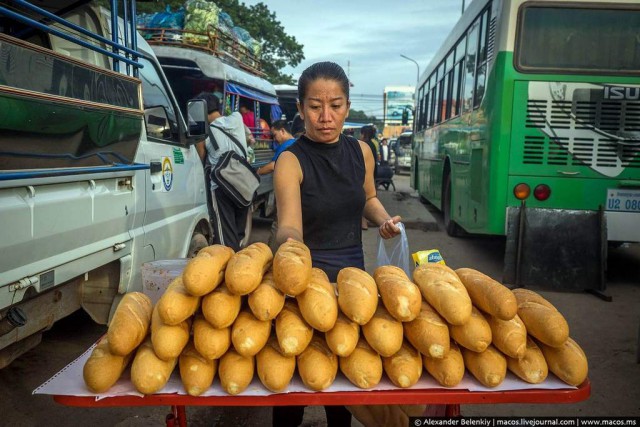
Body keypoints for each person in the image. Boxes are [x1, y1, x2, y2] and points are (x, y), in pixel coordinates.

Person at [272, 61, 401, 427]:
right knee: (292, 386)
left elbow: (369, 198)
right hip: (303, 281)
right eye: (314, 106)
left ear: (347, 105)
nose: (325, 117)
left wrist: (383, 221)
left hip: (351, 280)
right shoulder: (291, 160)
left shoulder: (361, 152)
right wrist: (291, 250)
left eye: (336, 105)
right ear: (300, 109)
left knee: (342, 385)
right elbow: (289, 226)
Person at [195, 92, 251, 251]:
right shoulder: (237, 119)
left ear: (201, 110)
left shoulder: (204, 133)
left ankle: (229, 270)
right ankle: (239, 266)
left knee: (225, 238)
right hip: (244, 182)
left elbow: (201, 157)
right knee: (239, 234)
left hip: (221, 187)